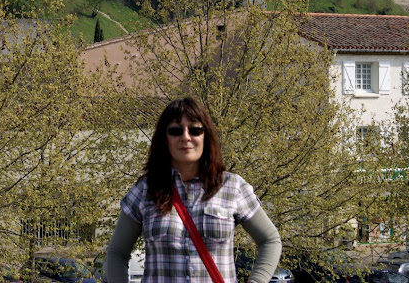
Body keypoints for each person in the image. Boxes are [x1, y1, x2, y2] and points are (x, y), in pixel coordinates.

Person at [104, 97, 281, 283]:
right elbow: (117, 253)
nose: (186, 137)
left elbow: (270, 240)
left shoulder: (232, 186)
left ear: (206, 136)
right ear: (164, 139)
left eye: (195, 130)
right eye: (176, 130)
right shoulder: (145, 190)